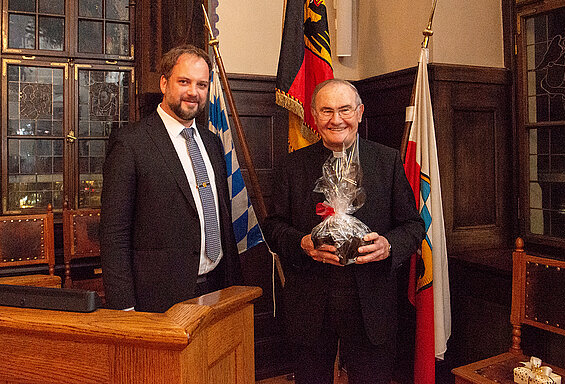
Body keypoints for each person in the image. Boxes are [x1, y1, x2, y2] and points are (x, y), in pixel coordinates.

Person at [263, 79, 425, 384]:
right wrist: (303, 243)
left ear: (360, 112)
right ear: (313, 115)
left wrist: (389, 245)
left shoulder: (386, 161)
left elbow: (413, 226)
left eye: (344, 110)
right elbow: (273, 227)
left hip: (372, 307)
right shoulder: (292, 166)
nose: (336, 119)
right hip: (310, 307)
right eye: (326, 111)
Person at [100, 45, 242, 313]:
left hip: (218, 287)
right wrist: (124, 307)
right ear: (164, 83)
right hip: (160, 298)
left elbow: (220, 217)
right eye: (184, 81)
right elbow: (114, 233)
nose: (193, 92)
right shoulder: (131, 143)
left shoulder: (211, 143)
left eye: (202, 84)